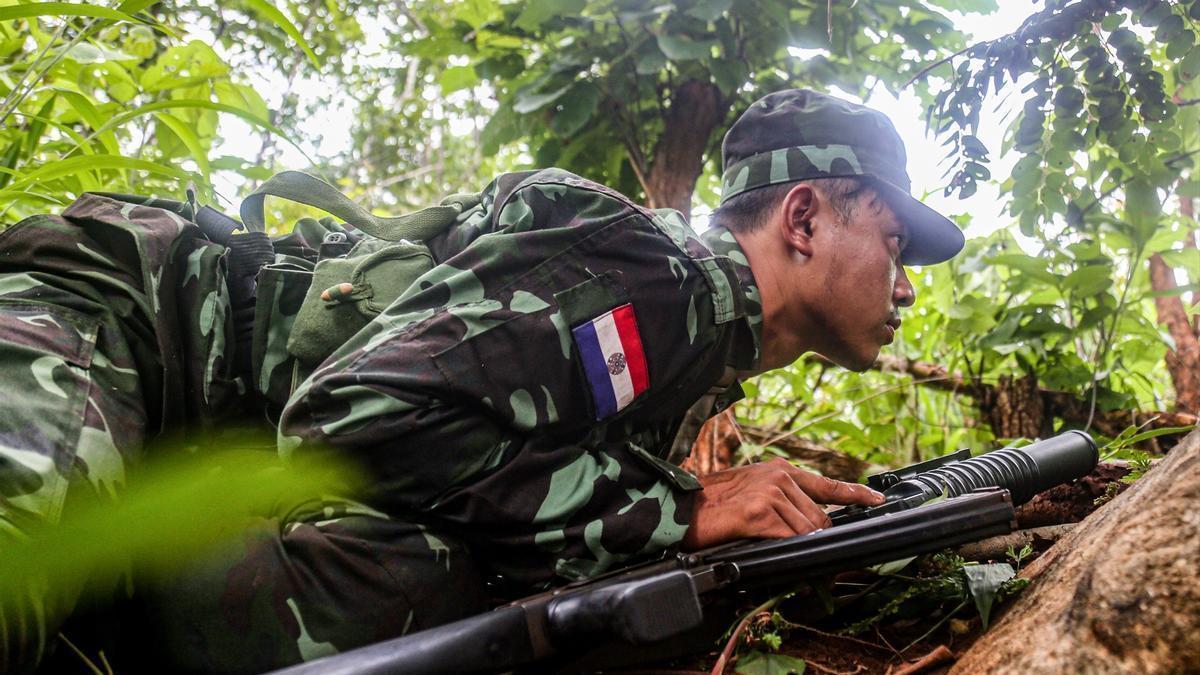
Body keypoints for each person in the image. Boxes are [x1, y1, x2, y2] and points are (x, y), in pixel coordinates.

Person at [0, 88, 964, 672]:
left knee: (434, 577)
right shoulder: (658, 281)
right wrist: (677, 508)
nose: (907, 283)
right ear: (802, 218)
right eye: (892, 241)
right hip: (111, 313)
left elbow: (465, 495)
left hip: (189, 424)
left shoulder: (700, 359)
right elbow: (357, 417)